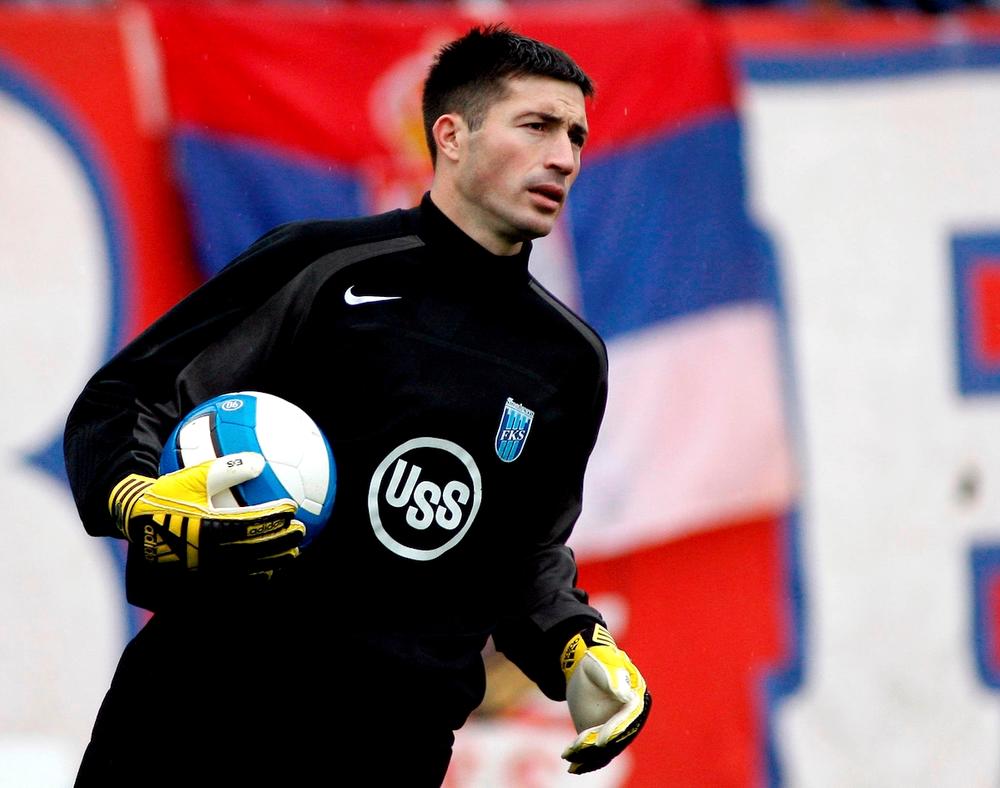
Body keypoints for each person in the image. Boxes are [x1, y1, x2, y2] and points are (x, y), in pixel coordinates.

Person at [65, 23, 650, 787]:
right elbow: (127, 399)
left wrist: (574, 644)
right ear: (452, 135)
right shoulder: (321, 265)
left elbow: (525, 554)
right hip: (200, 711)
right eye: (537, 126)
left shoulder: (568, 360)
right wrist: (138, 499)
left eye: (575, 136)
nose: (564, 156)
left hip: (389, 747)